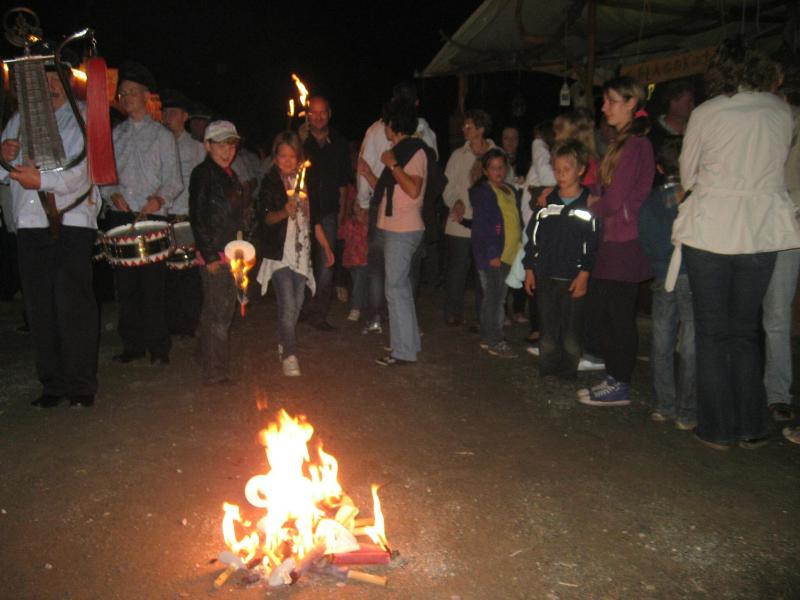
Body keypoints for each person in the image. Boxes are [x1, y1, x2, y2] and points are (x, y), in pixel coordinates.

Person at [668, 43, 800, 450]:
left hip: (713, 229)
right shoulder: (781, 111)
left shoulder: (708, 112)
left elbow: (687, 174)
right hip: (761, 231)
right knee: (745, 331)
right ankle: (752, 426)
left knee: (713, 333)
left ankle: (718, 429)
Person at [0, 57, 100, 407]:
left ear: (69, 81)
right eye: (43, 80)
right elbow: (2, 173)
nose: (50, 86)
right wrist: (3, 155)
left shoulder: (85, 117)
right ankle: (53, 385)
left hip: (71, 221)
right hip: (30, 224)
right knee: (40, 308)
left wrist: (41, 180)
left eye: (56, 78)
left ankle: (81, 384)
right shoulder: (19, 121)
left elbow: (83, 172)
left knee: (73, 305)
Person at [577, 76, 655, 407]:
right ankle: (614, 377)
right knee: (606, 313)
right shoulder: (621, 142)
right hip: (613, 239)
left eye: (611, 101)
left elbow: (613, 199)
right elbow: (602, 191)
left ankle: (620, 383)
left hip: (625, 241)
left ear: (631, 103)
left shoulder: (636, 145)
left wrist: (588, 204)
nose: (604, 107)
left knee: (617, 315)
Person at [101, 61, 182, 365]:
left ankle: (158, 346)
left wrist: (158, 200)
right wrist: (112, 193)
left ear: (146, 96)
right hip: (121, 216)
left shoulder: (162, 136)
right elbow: (104, 178)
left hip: (151, 215)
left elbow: (174, 180)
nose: (126, 98)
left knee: (152, 283)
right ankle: (132, 344)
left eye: (132, 92)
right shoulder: (115, 135)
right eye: (122, 93)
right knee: (126, 284)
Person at [357, 82, 438, 335]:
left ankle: (404, 343)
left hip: (403, 228)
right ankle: (405, 339)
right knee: (394, 284)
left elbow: (413, 189)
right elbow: (386, 190)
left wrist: (392, 165)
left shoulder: (414, 150)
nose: (384, 128)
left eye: (387, 124)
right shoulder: (399, 149)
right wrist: (368, 174)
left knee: (397, 286)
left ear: (393, 124)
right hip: (391, 224)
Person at [256, 131, 334, 376]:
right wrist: (283, 211)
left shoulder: (305, 181)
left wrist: (326, 247)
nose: (287, 160)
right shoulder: (270, 183)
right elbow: (265, 218)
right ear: (275, 157)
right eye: (282, 156)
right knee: (288, 302)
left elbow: (315, 220)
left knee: (297, 303)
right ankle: (290, 354)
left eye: (292, 156)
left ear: (299, 157)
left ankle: (283, 339)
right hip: (279, 253)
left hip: (301, 253)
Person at [523, 140, 598, 381]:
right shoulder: (547, 202)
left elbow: (592, 243)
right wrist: (529, 268)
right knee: (547, 328)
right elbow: (533, 237)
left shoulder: (589, 204)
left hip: (573, 279)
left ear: (581, 170)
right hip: (546, 276)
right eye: (557, 170)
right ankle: (547, 369)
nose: (561, 175)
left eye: (567, 169)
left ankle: (567, 372)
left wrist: (584, 273)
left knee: (571, 332)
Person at [190, 121, 254, 385]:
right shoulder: (203, 174)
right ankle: (215, 371)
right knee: (220, 313)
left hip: (230, 251)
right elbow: (197, 217)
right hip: (215, 253)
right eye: (221, 145)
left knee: (216, 309)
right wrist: (210, 256)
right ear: (207, 145)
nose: (227, 151)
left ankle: (203, 355)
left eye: (231, 145)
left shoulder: (230, 175)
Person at [638, 138, 696, 430]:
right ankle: (687, 411)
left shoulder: (651, 202)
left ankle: (665, 405)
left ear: (659, 168)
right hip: (693, 276)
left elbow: (646, 238)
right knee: (691, 341)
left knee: (661, 339)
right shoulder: (695, 197)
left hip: (664, 276)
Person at [762, 74, 800, 424]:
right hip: (751, 226)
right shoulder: (757, 126)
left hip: (788, 231)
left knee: (777, 314)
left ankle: (777, 392)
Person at [300, 96, 350, 332]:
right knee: (302, 261)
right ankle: (303, 308)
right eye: (314, 113)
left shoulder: (339, 143)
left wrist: (342, 212)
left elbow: (343, 182)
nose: (318, 117)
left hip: (328, 211)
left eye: (323, 112)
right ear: (308, 115)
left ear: (329, 114)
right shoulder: (301, 141)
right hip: (302, 212)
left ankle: (319, 313)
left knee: (326, 264)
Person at [443, 109, 495, 327]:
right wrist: (455, 201)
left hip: (487, 224)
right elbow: (447, 187)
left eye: (469, 126)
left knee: (484, 271)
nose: (464, 129)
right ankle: (453, 312)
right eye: (464, 125)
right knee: (458, 269)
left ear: (481, 129)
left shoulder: (496, 154)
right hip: (460, 222)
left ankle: (483, 315)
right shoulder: (458, 155)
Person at [160, 89, 205, 338]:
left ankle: (189, 323)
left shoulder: (197, 149)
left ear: (185, 116)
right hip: (164, 216)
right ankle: (170, 322)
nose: (167, 117)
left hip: (186, 216)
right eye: (165, 112)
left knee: (188, 272)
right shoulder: (158, 144)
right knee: (167, 272)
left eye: (173, 113)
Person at [469, 148, 522, 358]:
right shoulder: (484, 193)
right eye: (493, 168)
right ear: (485, 171)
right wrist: (492, 253)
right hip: (494, 256)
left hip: (510, 253)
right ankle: (495, 340)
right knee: (495, 298)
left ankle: (487, 336)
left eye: (501, 167)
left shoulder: (510, 190)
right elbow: (483, 226)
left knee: (496, 297)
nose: (498, 171)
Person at [339, 197, 369, 322]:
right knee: (358, 282)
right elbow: (341, 235)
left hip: (364, 259)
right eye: (356, 205)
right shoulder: (350, 221)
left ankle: (356, 308)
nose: (359, 208)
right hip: (352, 259)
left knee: (359, 283)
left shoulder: (369, 222)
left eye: (361, 205)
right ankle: (363, 307)